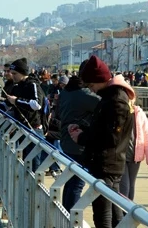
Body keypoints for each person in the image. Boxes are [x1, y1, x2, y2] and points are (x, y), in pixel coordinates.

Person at [69, 55, 135, 228]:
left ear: (100, 80)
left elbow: (110, 138)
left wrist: (81, 137)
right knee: (111, 210)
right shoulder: (112, 98)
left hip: (107, 164)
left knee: (104, 214)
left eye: (91, 85)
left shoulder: (115, 101)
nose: (91, 90)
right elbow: (104, 130)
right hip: (108, 162)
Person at [58, 67, 100, 212]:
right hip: (78, 143)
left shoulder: (66, 91)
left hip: (65, 140)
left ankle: (65, 213)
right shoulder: (84, 94)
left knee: (70, 181)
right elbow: (105, 106)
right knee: (77, 183)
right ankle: (71, 217)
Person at [5, 57, 46, 172]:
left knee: (34, 167)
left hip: (34, 130)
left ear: (23, 73)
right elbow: (9, 103)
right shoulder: (17, 86)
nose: (12, 76)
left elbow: (37, 104)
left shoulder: (33, 85)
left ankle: (34, 189)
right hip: (22, 130)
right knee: (24, 165)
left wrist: (16, 101)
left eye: (14, 73)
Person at [119, 103, 148, 201]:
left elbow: (147, 135)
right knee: (124, 187)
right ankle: (122, 211)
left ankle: (128, 211)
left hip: (136, 156)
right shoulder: (119, 111)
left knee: (131, 185)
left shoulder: (139, 113)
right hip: (121, 156)